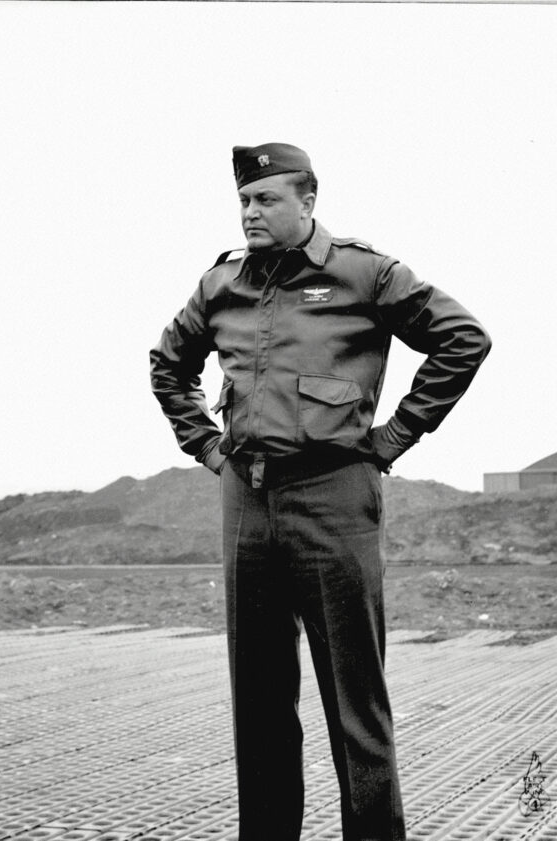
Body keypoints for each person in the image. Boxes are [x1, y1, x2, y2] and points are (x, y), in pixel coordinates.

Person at [149, 143, 490, 841]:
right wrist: (207, 447)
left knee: (354, 703)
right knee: (261, 704)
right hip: (247, 502)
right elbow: (167, 365)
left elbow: (463, 339)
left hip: (335, 497)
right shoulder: (223, 285)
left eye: (267, 199)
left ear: (308, 201)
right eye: (245, 200)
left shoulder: (364, 274)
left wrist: (395, 436)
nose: (251, 212)